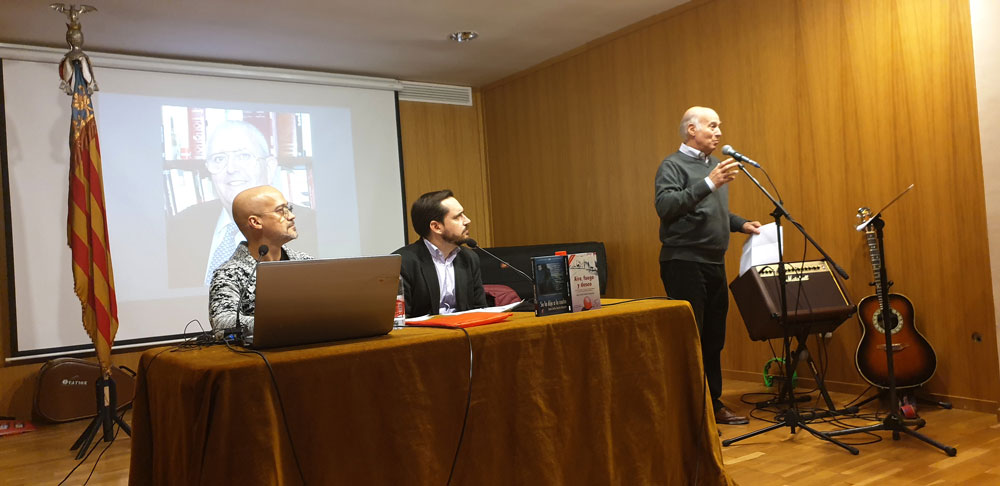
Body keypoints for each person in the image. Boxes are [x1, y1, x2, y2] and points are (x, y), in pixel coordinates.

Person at [654, 106, 762, 425]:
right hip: (683, 262)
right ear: (692, 129)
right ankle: (690, 409)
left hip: (714, 263)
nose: (718, 132)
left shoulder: (714, 167)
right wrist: (709, 183)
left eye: (719, 126)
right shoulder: (672, 165)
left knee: (714, 338)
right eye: (712, 126)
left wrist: (741, 224)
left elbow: (712, 212)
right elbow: (666, 206)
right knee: (692, 338)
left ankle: (712, 404)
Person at [166, 120, 317, 288]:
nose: (231, 169)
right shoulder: (181, 226)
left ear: (269, 167)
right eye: (219, 158)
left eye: (244, 156)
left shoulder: (311, 227)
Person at [208, 185, 311, 334]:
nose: (291, 216)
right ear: (255, 222)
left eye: (289, 209)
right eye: (281, 210)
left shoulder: (306, 263)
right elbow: (222, 322)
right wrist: (283, 323)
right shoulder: (228, 274)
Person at [393, 190, 487, 317]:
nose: (467, 221)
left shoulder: (469, 258)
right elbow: (401, 319)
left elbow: (480, 310)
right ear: (436, 227)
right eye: (457, 217)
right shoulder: (403, 263)